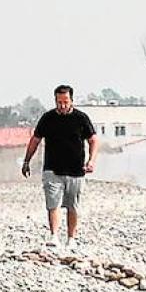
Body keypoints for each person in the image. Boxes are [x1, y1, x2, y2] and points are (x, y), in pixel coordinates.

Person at [22, 84, 98, 250]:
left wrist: (91, 161)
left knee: (73, 206)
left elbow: (93, 140)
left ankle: (71, 238)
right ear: (55, 100)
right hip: (52, 169)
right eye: (59, 102)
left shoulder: (81, 118)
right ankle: (54, 236)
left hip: (76, 171)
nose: (62, 105)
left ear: (71, 100)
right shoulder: (48, 118)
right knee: (53, 204)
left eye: (65, 102)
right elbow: (35, 140)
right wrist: (27, 161)